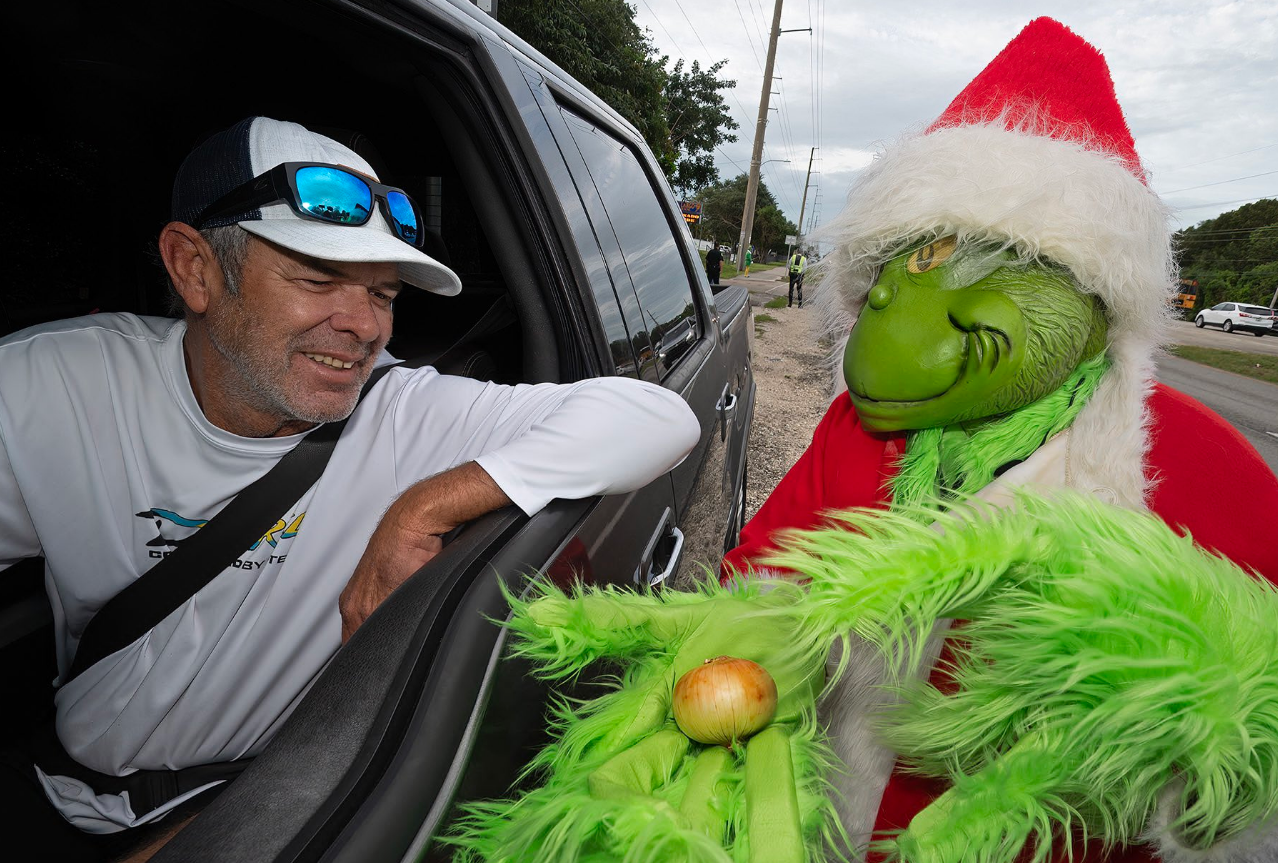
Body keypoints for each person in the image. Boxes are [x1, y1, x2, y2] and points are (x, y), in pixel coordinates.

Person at [0, 116, 701, 860]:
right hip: (54, 788)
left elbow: (655, 414)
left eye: (384, 291)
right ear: (194, 268)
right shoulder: (49, 388)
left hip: (256, 807)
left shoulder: (400, 411)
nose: (363, 326)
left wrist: (424, 504)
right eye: (318, 279)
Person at [722, 18, 1278, 862]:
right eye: (900, 268)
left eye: (989, 260)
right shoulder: (858, 433)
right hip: (824, 825)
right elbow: (760, 576)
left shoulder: (1199, 462)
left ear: (1090, 291)